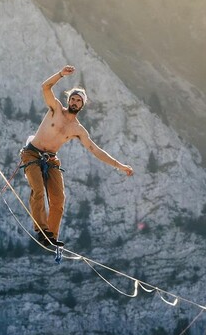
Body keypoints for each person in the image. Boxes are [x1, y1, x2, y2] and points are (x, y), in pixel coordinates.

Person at [20, 65, 134, 247]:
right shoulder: (55, 109)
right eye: (72, 99)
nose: (74, 102)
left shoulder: (78, 130)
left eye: (78, 100)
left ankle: (51, 235)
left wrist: (120, 166)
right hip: (32, 153)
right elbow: (45, 87)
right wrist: (60, 75)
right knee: (39, 191)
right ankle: (41, 230)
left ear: (82, 105)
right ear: (68, 100)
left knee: (59, 199)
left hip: (50, 159)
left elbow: (96, 150)